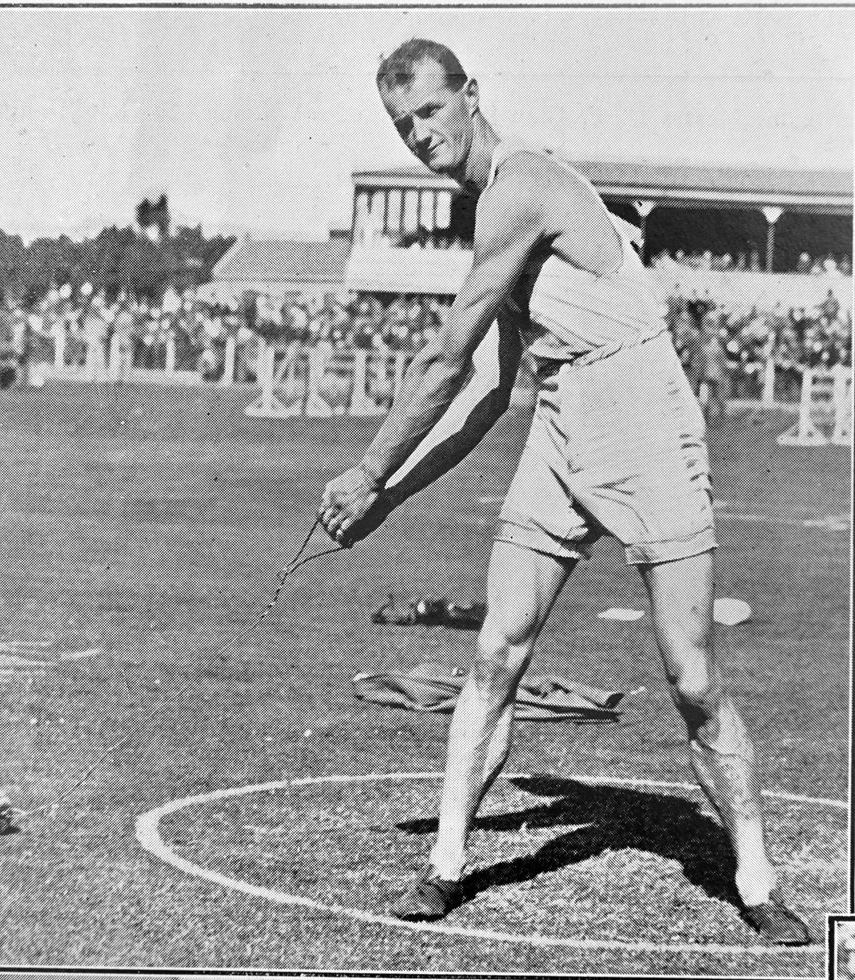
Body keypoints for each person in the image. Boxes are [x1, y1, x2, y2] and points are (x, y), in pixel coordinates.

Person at [319, 39, 810, 945]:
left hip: (645, 418)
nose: (418, 134)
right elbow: (486, 394)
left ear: (470, 95)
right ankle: (444, 867)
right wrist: (391, 496)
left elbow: (444, 360)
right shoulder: (492, 211)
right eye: (401, 123)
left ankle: (757, 879)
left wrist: (366, 470)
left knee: (692, 678)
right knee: (497, 650)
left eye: (429, 111)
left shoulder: (521, 187)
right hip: (561, 420)